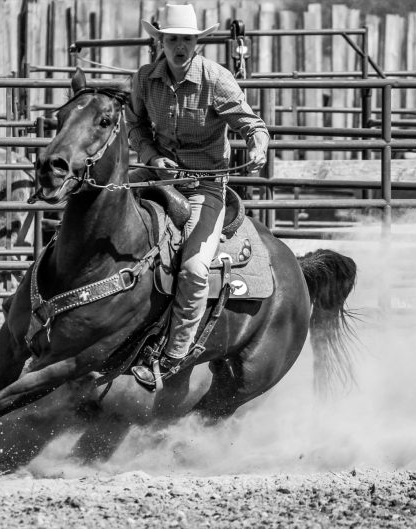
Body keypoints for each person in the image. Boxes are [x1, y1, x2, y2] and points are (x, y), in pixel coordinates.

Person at [125, 3, 269, 387]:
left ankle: (175, 352)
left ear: (197, 43)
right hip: (154, 175)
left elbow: (251, 123)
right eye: (172, 39)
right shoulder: (143, 79)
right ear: (161, 42)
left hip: (204, 186)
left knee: (192, 269)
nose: (180, 46)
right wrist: (153, 155)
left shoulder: (216, 80)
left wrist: (257, 145)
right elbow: (136, 128)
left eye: (187, 39)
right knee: (101, 208)